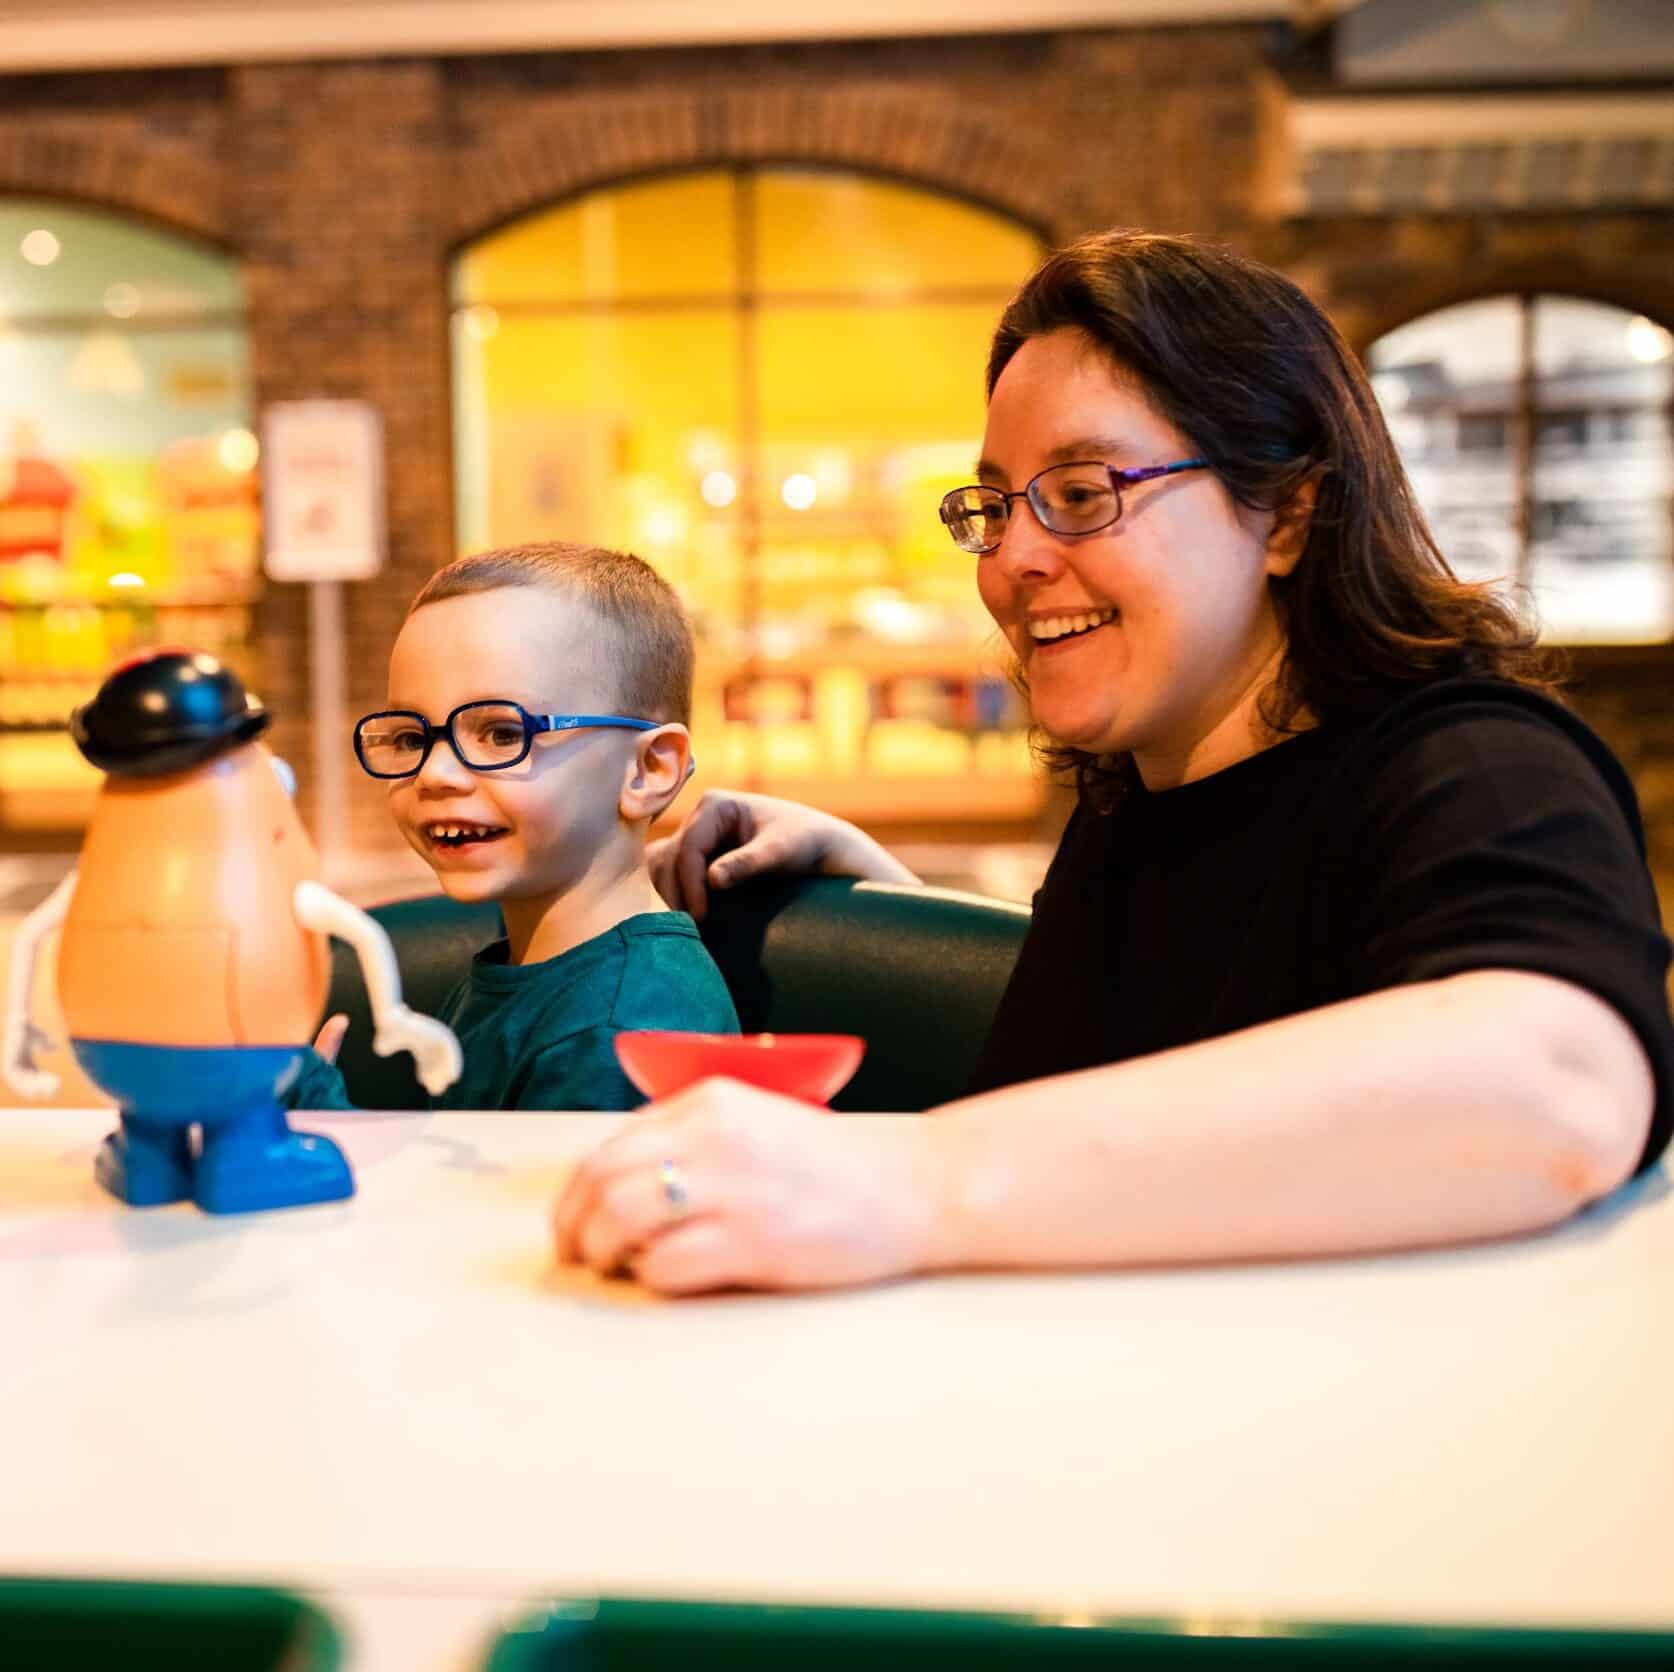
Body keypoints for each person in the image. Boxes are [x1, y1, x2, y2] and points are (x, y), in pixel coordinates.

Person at [553, 229, 1674, 1295]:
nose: (1013, 560)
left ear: (1286, 511)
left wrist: (914, 1181)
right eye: (995, 506)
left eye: (1085, 495)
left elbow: (1557, 1087)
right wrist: (882, 894)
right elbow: (1168, 1057)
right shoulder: (1143, 798)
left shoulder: (1475, 765)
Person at [290, 542, 738, 1112]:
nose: (436, 773)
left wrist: (318, 1114)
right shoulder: (533, 968)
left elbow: (527, 1206)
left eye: (503, 733)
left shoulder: (621, 1032)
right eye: (410, 738)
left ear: (648, 769)